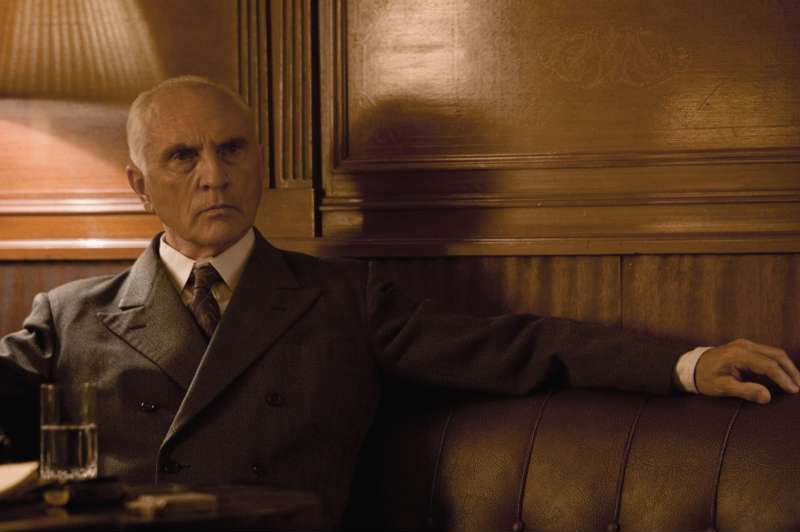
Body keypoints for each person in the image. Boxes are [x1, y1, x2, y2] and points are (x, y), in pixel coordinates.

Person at [1, 76, 798, 528]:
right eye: (183, 157)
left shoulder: (343, 300)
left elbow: (514, 346)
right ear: (140, 186)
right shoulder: (67, 317)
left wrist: (686, 363)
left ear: (259, 159)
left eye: (232, 148)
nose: (216, 175)